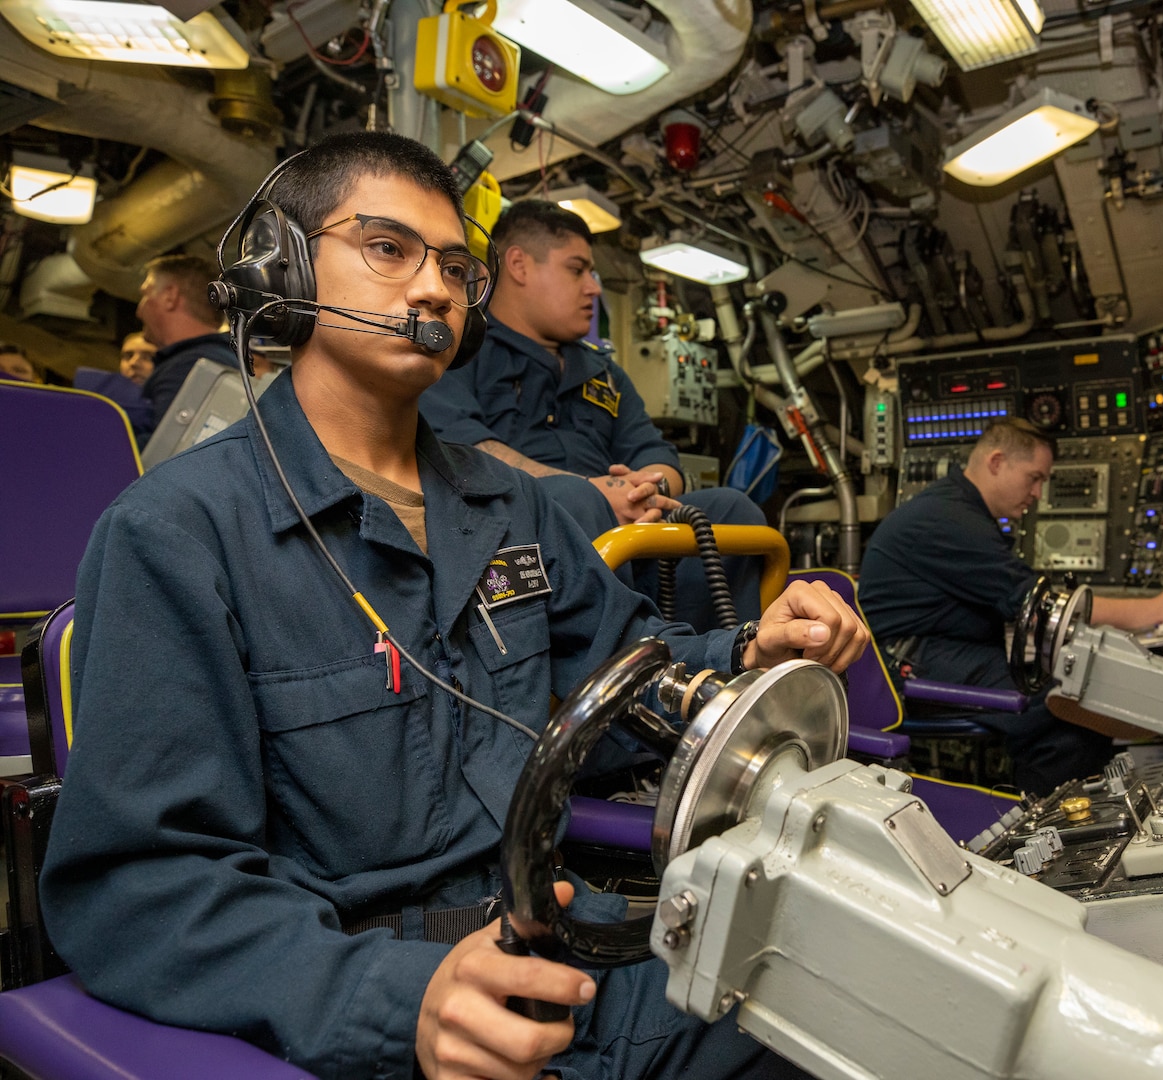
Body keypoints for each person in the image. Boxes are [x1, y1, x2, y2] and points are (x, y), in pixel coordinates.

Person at [40, 131, 868, 1080]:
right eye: (390, 249)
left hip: (570, 957)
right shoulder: (179, 534)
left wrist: (747, 651)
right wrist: (397, 1001)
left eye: (454, 268)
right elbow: (139, 889)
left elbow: (626, 671)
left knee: (865, 1014)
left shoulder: (513, 504)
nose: (434, 289)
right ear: (286, 265)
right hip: (388, 1013)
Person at [419, 200, 767, 634]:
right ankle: (618, 678)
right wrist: (595, 492)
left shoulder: (603, 373)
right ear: (520, 266)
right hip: (515, 538)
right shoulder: (461, 351)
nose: (594, 288)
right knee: (575, 500)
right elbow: (464, 450)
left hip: (623, 524)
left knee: (732, 508)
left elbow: (658, 456)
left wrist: (646, 489)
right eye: (577, 269)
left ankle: (718, 674)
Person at [859, 418, 1163, 792]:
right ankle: (1047, 827)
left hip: (935, 651)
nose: (1039, 492)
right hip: (905, 663)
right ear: (996, 462)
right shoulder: (945, 518)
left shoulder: (958, 509)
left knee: (1075, 690)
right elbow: (1040, 607)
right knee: (1065, 698)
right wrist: (1155, 610)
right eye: (1034, 477)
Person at [133, 252, 236, 444]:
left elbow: (161, 456)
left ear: (170, 297)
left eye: (145, 295)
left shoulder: (188, 367)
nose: (139, 311)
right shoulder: (222, 358)